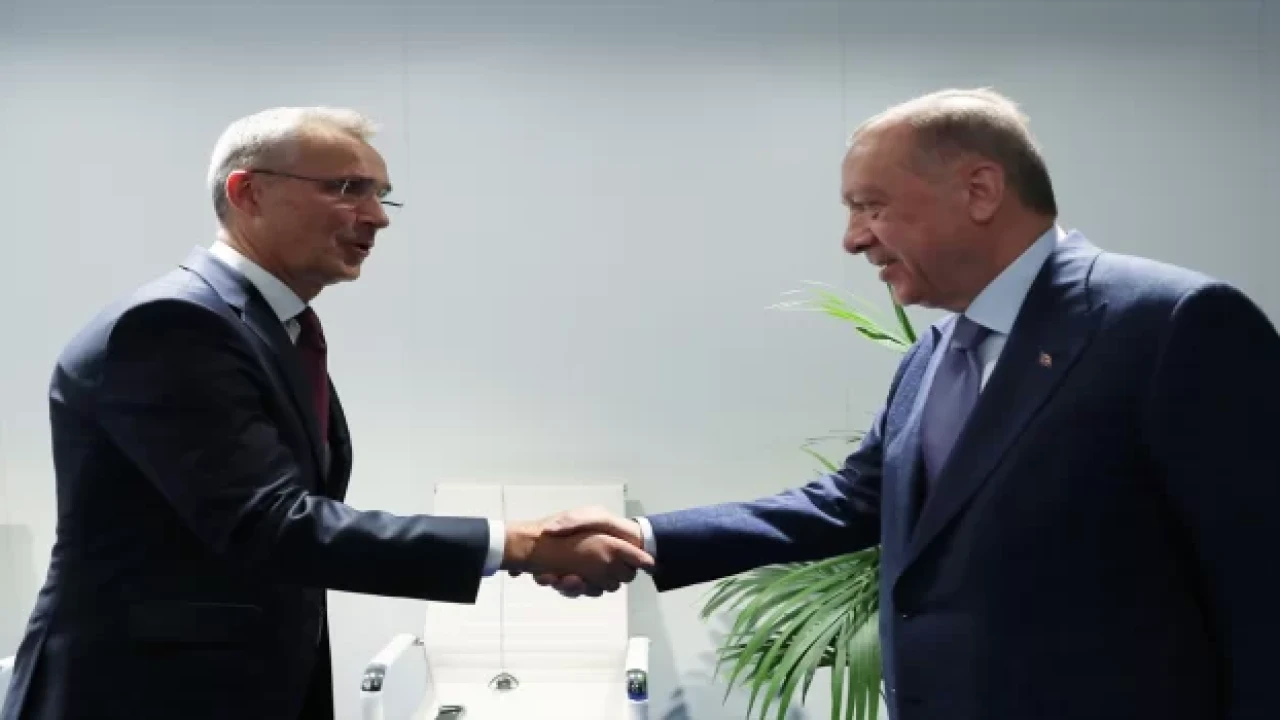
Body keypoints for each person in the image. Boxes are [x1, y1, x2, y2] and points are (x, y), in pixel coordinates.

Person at [540, 88, 1280, 720]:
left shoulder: (1171, 323)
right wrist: (644, 537)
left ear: (980, 190)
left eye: (871, 206)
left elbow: (1260, 580)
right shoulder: (933, 354)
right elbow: (850, 503)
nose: (852, 239)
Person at [0, 107, 652, 720]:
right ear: (248, 192)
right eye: (347, 188)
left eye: (382, 195)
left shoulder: (271, 328)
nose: (378, 217)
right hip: (143, 696)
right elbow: (270, 524)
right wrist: (520, 544)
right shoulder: (171, 324)